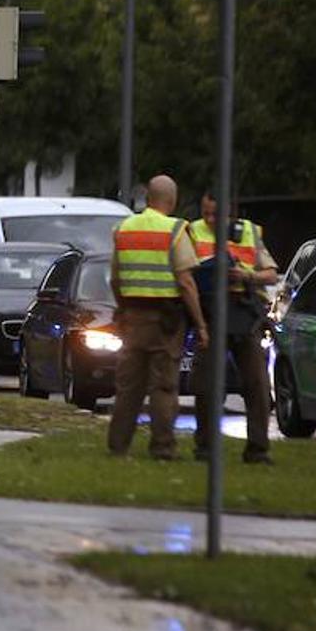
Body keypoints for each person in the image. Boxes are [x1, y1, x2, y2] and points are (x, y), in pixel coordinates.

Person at [107, 174, 207, 460]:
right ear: (172, 200)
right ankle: (162, 448)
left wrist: (122, 307)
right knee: (163, 386)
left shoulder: (124, 229)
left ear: (147, 198)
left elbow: (115, 278)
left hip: (132, 319)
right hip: (165, 322)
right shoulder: (175, 230)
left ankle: (118, 446)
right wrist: (200, 324)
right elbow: (186, 283)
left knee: (128, 387)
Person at [188, 192, 278, 464]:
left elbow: (272, 274)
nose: (211, 220)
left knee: (258, 385)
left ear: (231, 212)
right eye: (207, 213)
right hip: (210, 312)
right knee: (205, 385)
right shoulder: (191, 231)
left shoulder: (249, 232)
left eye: (217, 214)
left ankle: (258, 450)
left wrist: (247, 275)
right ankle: (204, 447)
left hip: (243, 312)